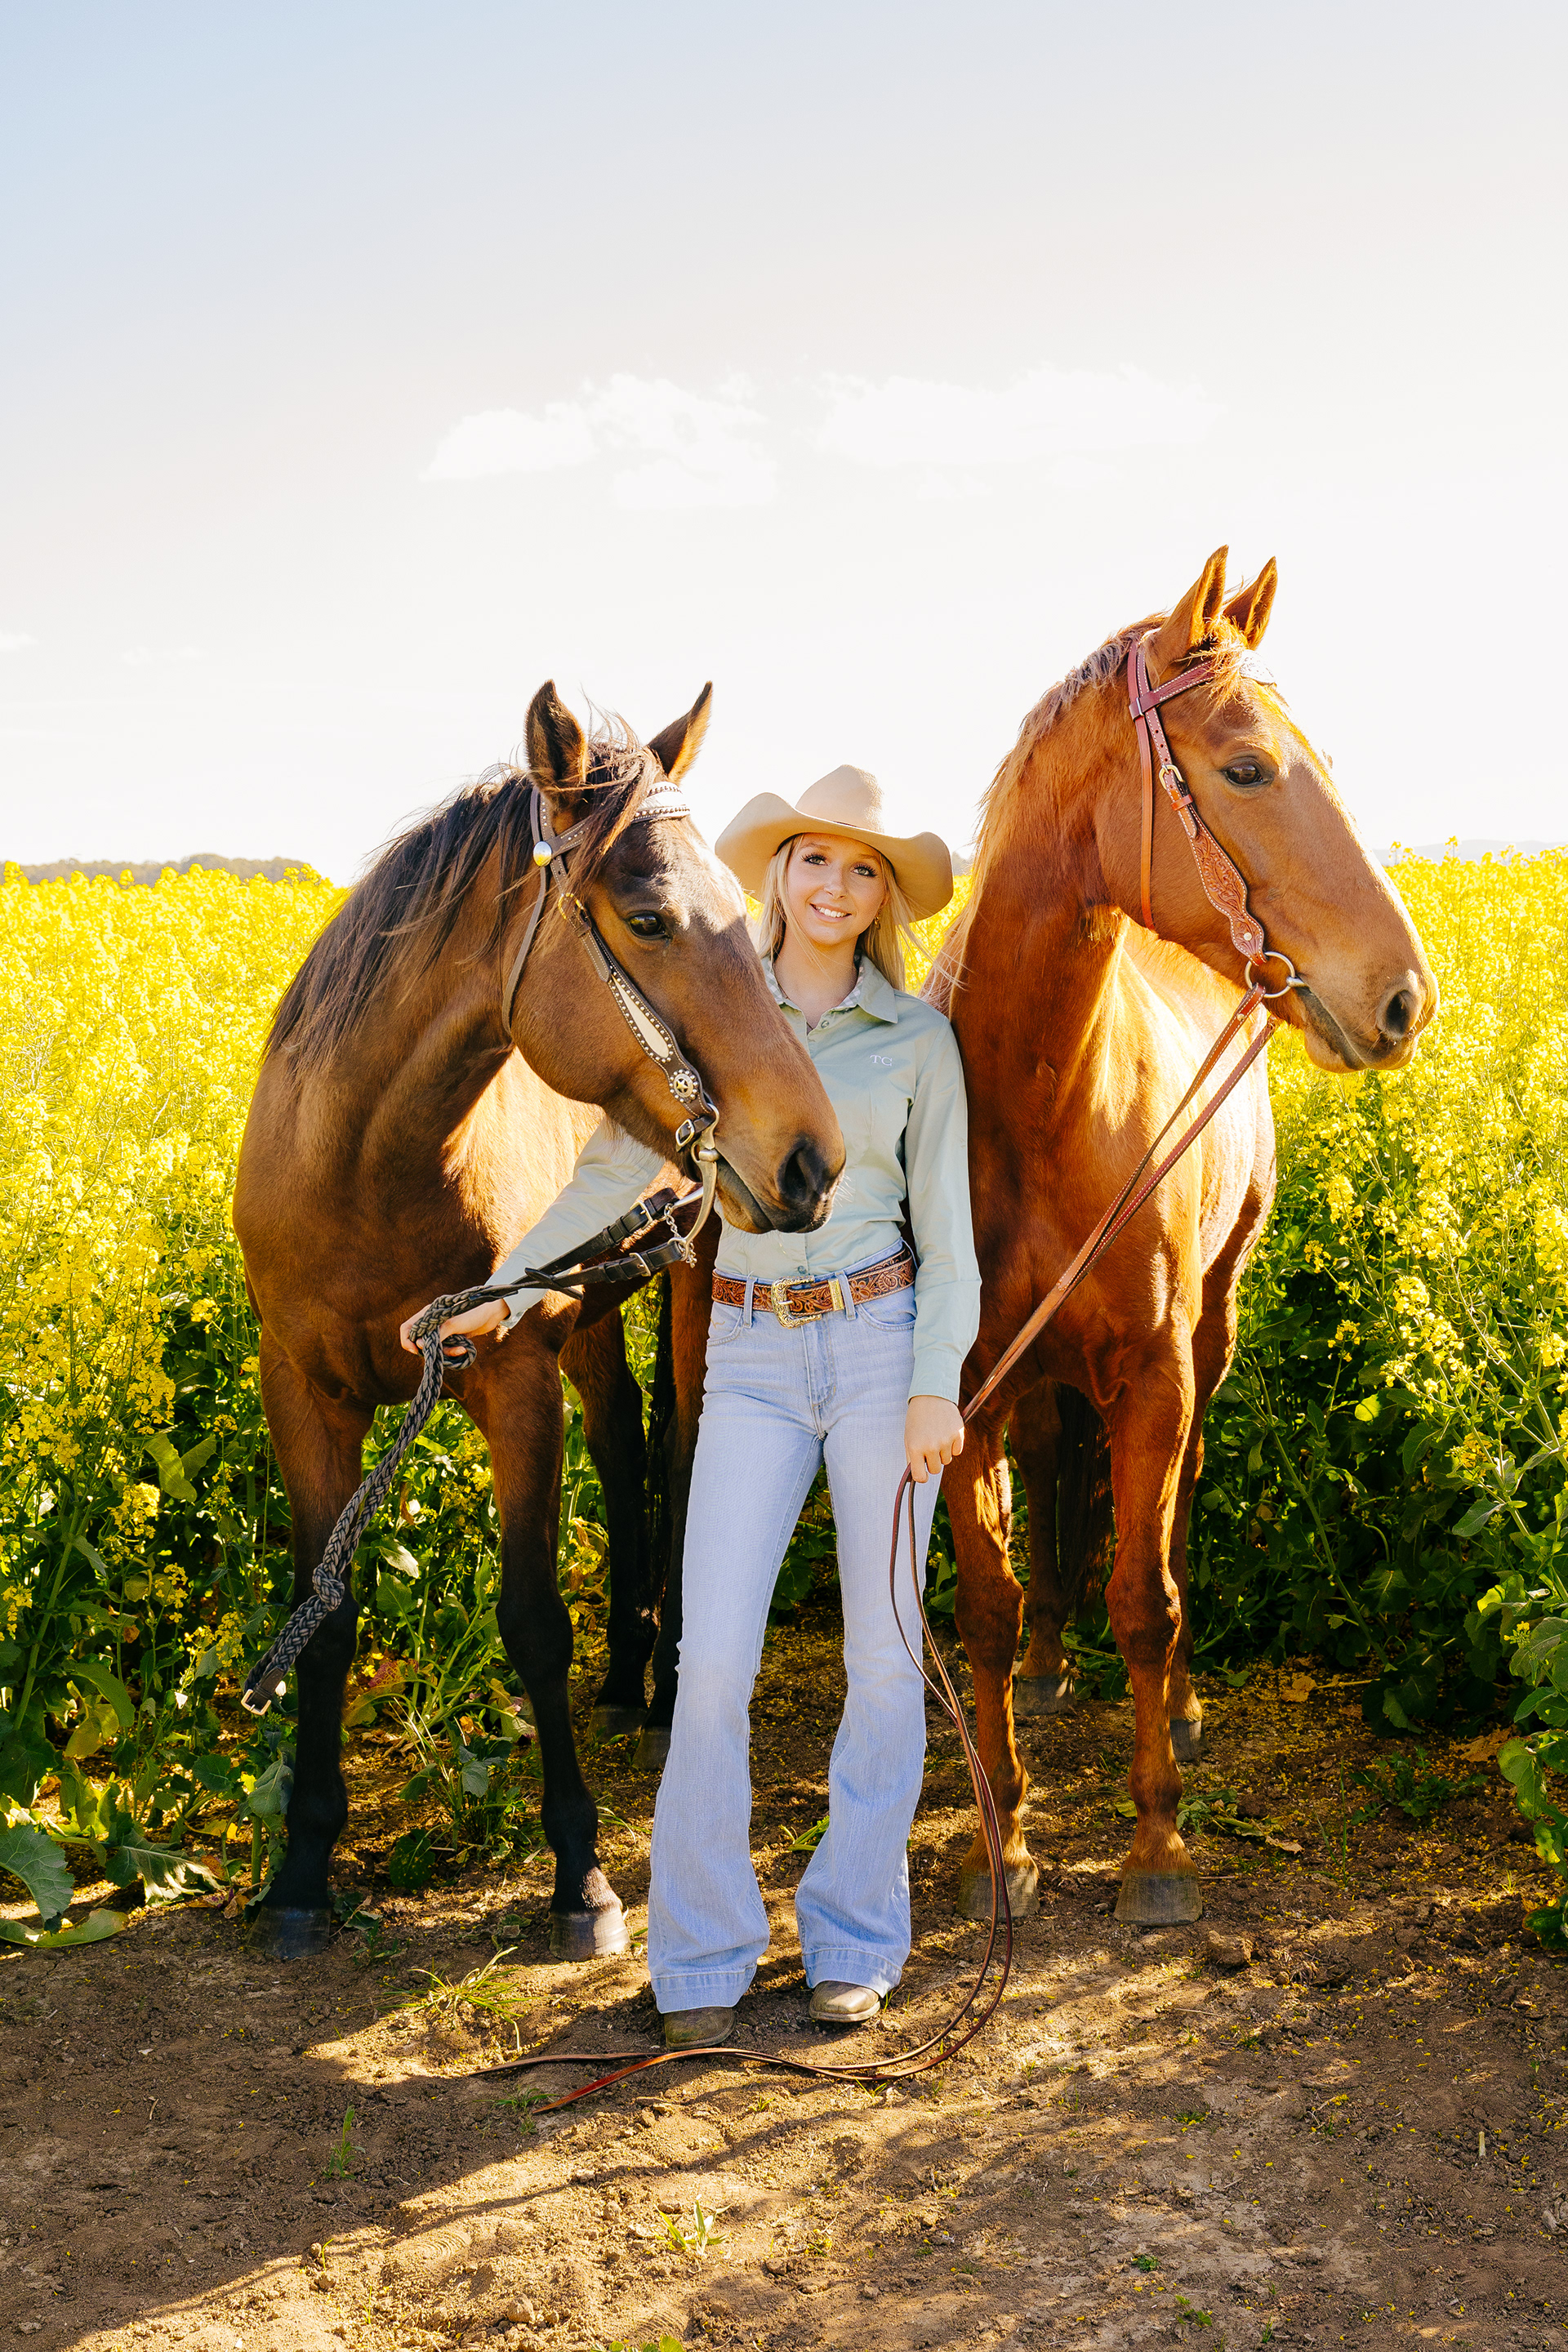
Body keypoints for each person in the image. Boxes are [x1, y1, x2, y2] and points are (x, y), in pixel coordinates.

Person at [403, 764, 980, 2047]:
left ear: (883, 896)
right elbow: (612, 1169)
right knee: (710, 1663)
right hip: (753, 1356)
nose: (835, 886)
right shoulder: (712, 1015)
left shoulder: (918, 1041)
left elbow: (950, 1237)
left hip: (880, 1345)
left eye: (863, 869)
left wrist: (936, 1383)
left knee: (885, 1662)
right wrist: (505, 1289)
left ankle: (854, 1943)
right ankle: (705, 1956)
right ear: (780, 873)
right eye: (815, 859)